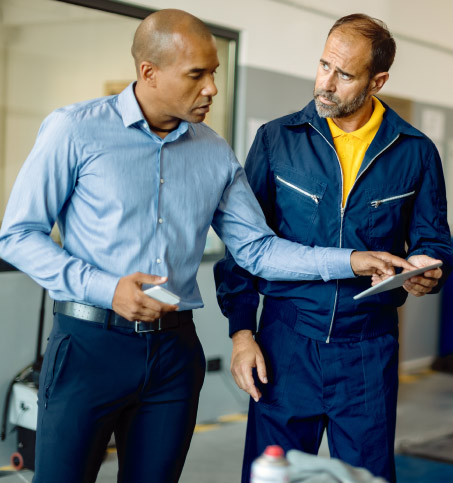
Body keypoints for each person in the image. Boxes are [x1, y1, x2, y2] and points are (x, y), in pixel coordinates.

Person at [0, 9, 411, 483]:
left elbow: (258, 250)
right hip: (89, 347)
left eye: (214, 72)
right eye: (197, 74)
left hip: (174, 355)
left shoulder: (215, 153)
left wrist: (353, 261)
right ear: (149, 72)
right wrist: (106, 288)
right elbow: (18, 235)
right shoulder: (74, 130)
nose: (212, 87)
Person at [214, 13, 453, 482]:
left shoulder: (415, 152)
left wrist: (430, 268)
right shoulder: (278, 140)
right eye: (324, 65)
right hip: (284, 344)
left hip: (367, 349)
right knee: (270, 475)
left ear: (377, 80)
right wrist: (242, 334)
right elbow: (244, 249)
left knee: (366, 477)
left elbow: (434, 240)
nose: (325, 83)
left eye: (344, 75)